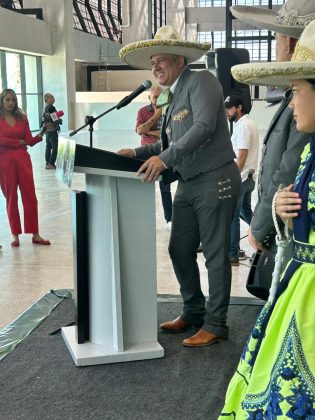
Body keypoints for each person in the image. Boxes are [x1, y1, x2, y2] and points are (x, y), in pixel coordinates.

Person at [118, 25, 241, 347]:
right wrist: (135, 152)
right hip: (188, 183)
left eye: (160, 60)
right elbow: (171, 142)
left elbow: (202, 127)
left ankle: (216, 324)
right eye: (152, 62)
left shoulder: (201, 81)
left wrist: (166, 158)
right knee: (179, 249)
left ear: (179, 59)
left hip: (215, 179)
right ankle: (193, 310)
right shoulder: (174, 96)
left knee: (215, 256)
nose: (155, 67)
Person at [219, 20, 315, 417]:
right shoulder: (312, 151)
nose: (292, 103)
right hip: (301, 285)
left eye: (297, 91)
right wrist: (281, 208)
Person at [230, 0, 315, 265]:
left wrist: (261, 226)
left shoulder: (305, 111)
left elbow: (288, 168)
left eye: (277, 38)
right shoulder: (295, 100)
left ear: (288, 43)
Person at [0, 88, 50, 247]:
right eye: (7, 99)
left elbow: (28, 140)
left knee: (30, 196)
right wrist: (18, 142)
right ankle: (15, 235)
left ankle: (35, 234)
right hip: (5, 162)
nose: (10, 103)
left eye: (13, 100)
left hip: (23, 160)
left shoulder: (22, 118)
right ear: (2, 101)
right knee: (11, 198)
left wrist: (41, 134)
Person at [224, 94, 259, 266]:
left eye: (230, 108)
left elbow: (242, 156)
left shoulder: (244, 126)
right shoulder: (244, 124)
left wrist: (232, 177)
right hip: (248, 177)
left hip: (242, 178)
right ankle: (263, 240)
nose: (227, 112)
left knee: (233, 216)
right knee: (245, 212)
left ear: (239, 108)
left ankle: (233, 254)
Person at [136, 85, 173, 228]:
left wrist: (149, 132)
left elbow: (168, 133)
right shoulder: (143, 112)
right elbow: (140, 130)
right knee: (143, 184)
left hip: (164, 152)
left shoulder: (168, 110)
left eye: (160, 96)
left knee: (165, 186)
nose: (158, 99)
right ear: (149, 97)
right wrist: (156, 116)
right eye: (155, 96)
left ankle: (169, 219)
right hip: (146, 152)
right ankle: (142, 219)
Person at [42, 93, 61, 169]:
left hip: (47, 130)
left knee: (48, 146)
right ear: (47, 99)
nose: (53, 99)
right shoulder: (51, 107)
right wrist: (59, 120)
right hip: (52, 130)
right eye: (51, 97)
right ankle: (51, 163)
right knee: (55, 147)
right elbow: (54, 118)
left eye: (53, 97)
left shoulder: (45, 107)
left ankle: (47, 163)